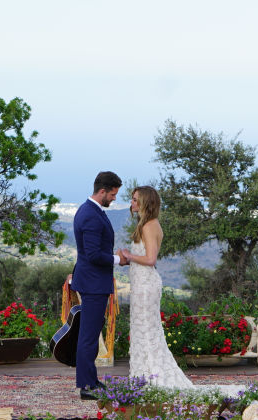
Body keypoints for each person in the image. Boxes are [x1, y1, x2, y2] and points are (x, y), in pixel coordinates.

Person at [119, 186, 194, 389]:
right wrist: (128, 259)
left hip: (146, 285)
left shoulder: (149, 226)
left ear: (145, 202)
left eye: (136, 200)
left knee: (146, 330)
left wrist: (129, 255)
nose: (132, 203)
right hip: (141, 283)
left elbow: (151, 259)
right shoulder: (147, 224)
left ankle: (151, 376)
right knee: (142, 330)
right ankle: (143, 375)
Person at [71, 171, 126, 399]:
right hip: (93, 283)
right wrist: (118, 259)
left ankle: (91, 380)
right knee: (89, 335)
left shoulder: (91, 210)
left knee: (91, 333)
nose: (114, 198)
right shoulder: (91, 215)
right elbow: (93, 255)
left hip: (93, 281)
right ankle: (86, 386)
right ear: (102, 191)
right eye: (112, 194)